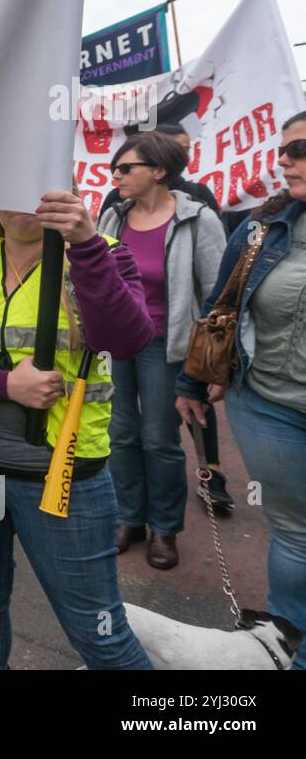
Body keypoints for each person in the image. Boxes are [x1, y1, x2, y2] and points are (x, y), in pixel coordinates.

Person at [0, 189, 154, 669]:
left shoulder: (102, 253)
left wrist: (83, 243)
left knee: (97, 628)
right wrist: (5, 384)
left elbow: (125, 340)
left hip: (61, 473)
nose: (22, 201)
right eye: (9, 187)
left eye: (34, 187)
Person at [176, 110, 306, 669]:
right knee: (297, 532)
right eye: (282, 150)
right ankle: (286, 649)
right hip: (270, 405)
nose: (283, 160)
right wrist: (193, 380)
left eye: (297, 149)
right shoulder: (261, 229)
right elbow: (220, 307)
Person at [98, 132, 225, 568]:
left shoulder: (197, 219)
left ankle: (165, 529)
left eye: (125, 167)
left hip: (164, 346)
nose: (116, 175)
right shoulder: (113, 217)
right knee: (119, 436)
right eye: (115, 168)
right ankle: (128, 519)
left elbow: (217, 294)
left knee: (159, 439)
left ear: (158, 170)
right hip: (116, 343)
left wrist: (211, 363)